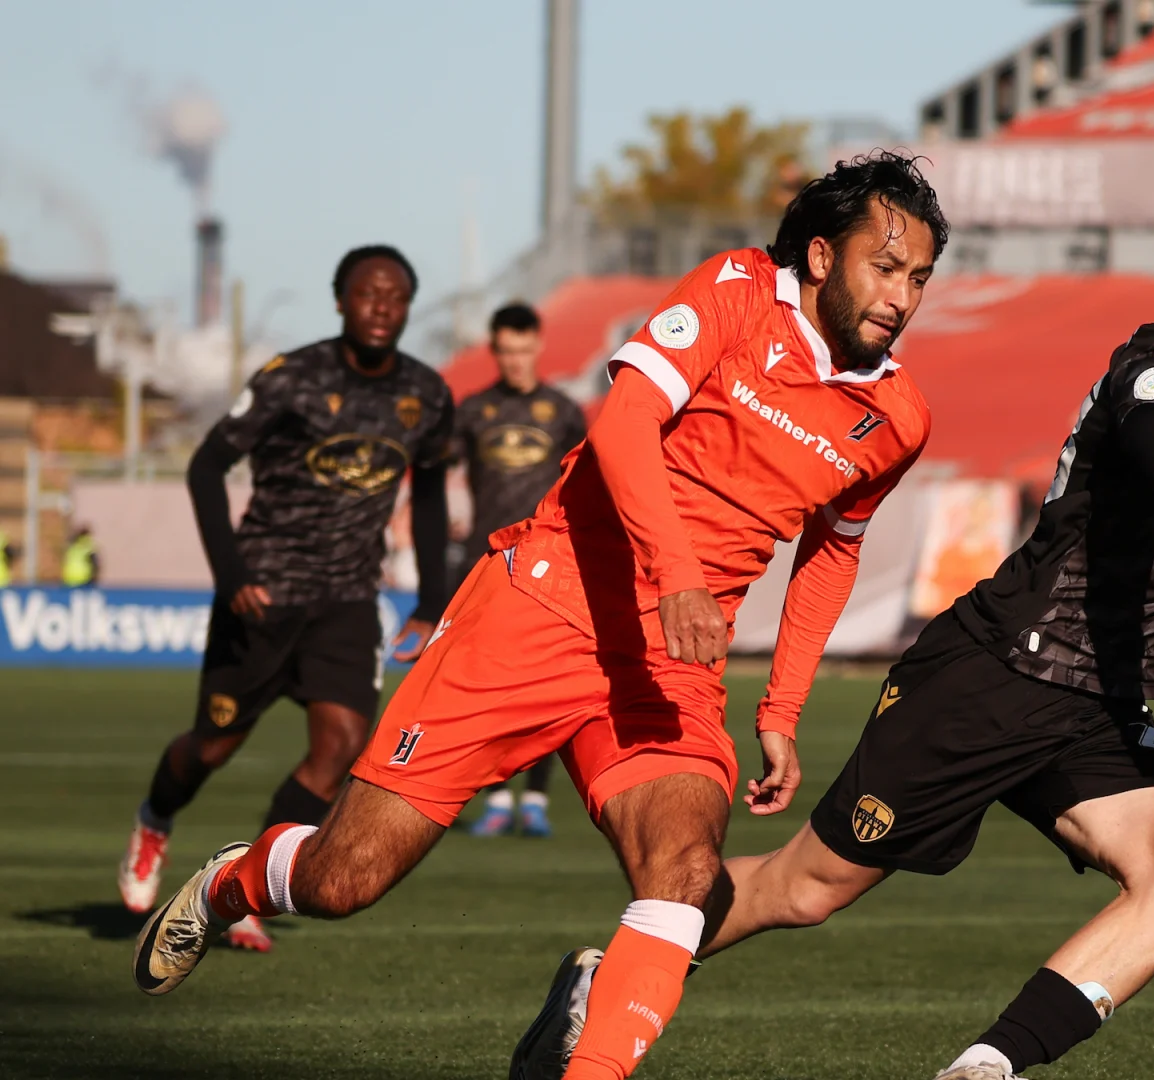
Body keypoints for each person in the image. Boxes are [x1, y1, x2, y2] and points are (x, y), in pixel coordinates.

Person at [131, 154, 947, 1080]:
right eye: (885, 267)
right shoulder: (734, 289)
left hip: (667, 663)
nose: (902, 295)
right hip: (541, 603)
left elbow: (831, 555)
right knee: (342, 879)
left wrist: (781, 709)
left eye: (918, 277)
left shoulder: (899, 417)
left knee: (684, 876)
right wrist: (677, 573)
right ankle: (236, 878)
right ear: (818, 256)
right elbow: (624, 421)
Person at [521, 205, 1154, 1080]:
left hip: (1101, 702)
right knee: (805, 890)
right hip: (994, 676)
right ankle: (607, 981)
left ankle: (984, 1069)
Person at [115, 245, 452, 952]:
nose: (382, 308)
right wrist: (233, 574)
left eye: (395, 297)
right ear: (339, 300)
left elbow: (427, 497)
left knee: (341, 747)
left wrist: (430, 599)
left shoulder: (427, 393)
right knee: (210, 747)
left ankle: (242, 889)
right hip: (262, 597)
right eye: (367, 294)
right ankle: (154, 818)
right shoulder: (291, 377)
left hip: (349, 600)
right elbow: (208, 466)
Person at [454, 302, 588, 838]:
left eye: (522, 349)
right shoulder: (473, 410)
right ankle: (492, 799)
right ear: (494, 350)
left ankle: (533, 800)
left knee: (544, 684)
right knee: (485, 684)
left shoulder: (563, 412)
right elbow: (442, 473)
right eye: (504, 350)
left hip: (548, 563)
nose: (514, 360)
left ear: (538, 347)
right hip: (483, 559)